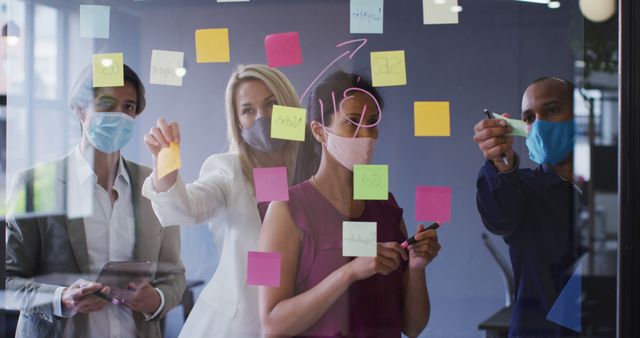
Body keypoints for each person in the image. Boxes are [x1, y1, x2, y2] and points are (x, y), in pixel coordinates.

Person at [5, 64, 186, 338]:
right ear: (79, 110)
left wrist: (156, 299)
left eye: (128, 107)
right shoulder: (33, 186)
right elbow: (8, 280)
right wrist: (60, 298)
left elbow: (174, 275)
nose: (119, 115)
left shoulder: (155, 185)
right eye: (106, 104)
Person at [258, 71, 441, 338]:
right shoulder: (285, 208)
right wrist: (351, 272)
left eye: (372, 122)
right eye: (353, 122)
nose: (366, 133)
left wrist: (416, 269)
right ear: (319, 131)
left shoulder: (385, 203)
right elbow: (271, 324)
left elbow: (413, 328)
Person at [141, 64, 304, 337]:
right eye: (248, 110)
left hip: (298, 319)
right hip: (235, 324)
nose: (262, 117)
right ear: (238, 122)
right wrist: (165, 165)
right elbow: (187, 208)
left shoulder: (310, 172)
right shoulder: (229, 170)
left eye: (272, 104)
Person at [473, 77, 581, 337]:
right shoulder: (521, 187)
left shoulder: (613, 189)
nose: (540, 124)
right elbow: (499, 216)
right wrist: (501, 166)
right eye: (530, 117)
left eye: (552, 110)